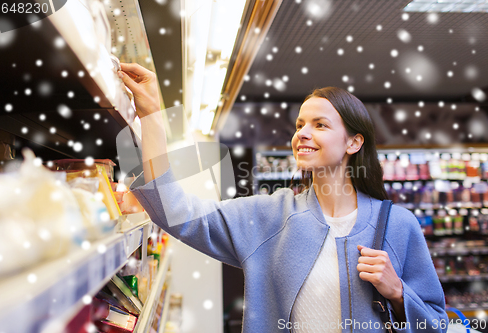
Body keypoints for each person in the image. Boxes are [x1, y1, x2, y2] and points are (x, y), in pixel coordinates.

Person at [118, 63, 448, 333]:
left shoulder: (399, 226)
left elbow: (438, 324)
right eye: (300, 124)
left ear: (353, 143)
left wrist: (399, 294)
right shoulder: (269, 217)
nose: (302, 133)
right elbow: (176, 212)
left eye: (320, 125)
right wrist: (152, 116)